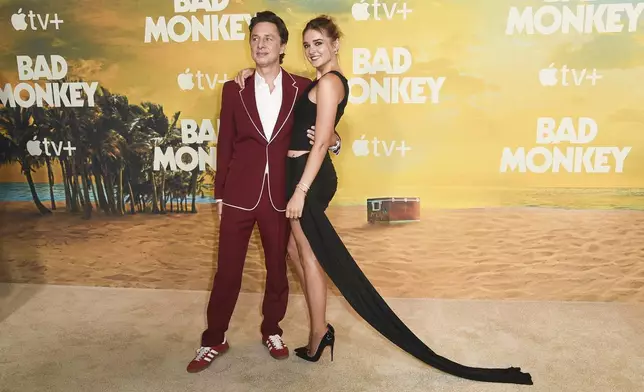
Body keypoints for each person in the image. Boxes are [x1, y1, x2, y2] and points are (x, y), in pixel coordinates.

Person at [232, 15, 534, 386]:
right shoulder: (323, 82)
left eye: (319, 44)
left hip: (305, 179)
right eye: (307, 45)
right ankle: (319, 329)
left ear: (335, 44)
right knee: (297, 253)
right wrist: (251, 73)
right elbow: (323, 129)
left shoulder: (328, 83)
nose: (312, 51)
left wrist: (300, 191)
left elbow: (323, 140)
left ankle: (317, 335)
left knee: (309, 256)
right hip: (300, 173)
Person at [186, 11, 343, 373]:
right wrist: (221, 195)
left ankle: (272, 330)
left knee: (277, 269)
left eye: (269, 38)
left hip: (281, 195)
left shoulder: (303, 88)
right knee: (227, 271)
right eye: (255, 38)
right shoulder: (233, 88)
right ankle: (213, 339)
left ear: (283, 46)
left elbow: (325, 127)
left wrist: (335, 142)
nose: (261, 44)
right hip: (239, 194)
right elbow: (224, 145)